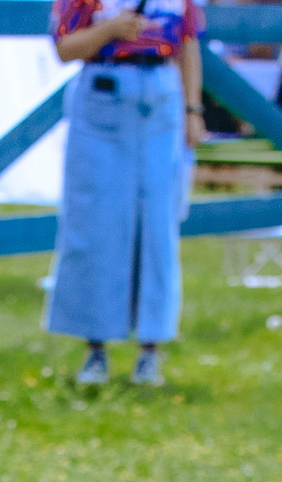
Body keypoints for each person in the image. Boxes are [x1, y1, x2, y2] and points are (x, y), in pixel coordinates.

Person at [47, 0, 205, 386]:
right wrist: (110, 30)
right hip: (103, 99)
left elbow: (188, 44)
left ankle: (151, 349)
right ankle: (95, 348)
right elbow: (65, 48)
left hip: (161, 99)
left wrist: (193, 109)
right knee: (96, 223)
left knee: (157, 225)